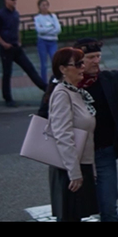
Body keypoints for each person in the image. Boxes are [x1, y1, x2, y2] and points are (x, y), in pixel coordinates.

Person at [59, 38, 118, 222]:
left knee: (109, 208)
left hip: (104, 154)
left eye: (98, 56)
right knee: (72, 211)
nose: (96, 61)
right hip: (74, 157)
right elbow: (48, 118)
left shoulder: (109, 79)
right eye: (90, 57)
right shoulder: (67, 86)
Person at [46, 47, 98, 222]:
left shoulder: (75, 92)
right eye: (77, 64)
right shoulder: (62, 94)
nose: (82, 67)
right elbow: (62, 134)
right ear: (63, 69)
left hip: (79, 164)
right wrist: (74, 172)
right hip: (68, 168)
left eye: (82, 63)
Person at [0, 0, 46, 107]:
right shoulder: (0, 15)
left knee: (29, 68)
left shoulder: (15, 14)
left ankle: (45, 88)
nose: (14, 1)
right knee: (7, 73)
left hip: (16, 47)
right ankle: (8, 98)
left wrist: (19, 41)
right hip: (6, 48)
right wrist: (3, 44)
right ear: (6, 0)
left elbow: (17, 29)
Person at [34, 0, 62, 84]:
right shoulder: (37, 18)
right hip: (42, 42)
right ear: (39, 7)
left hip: (52, 41)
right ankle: (44, 83)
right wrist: (51, 28)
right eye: (43, 5)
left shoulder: (53, 16)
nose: (45, 7)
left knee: (54, 60)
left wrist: (46, 29)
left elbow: (58, 29)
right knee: (44, 64)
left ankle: (57, 80)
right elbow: (39, 30)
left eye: (46, 5)